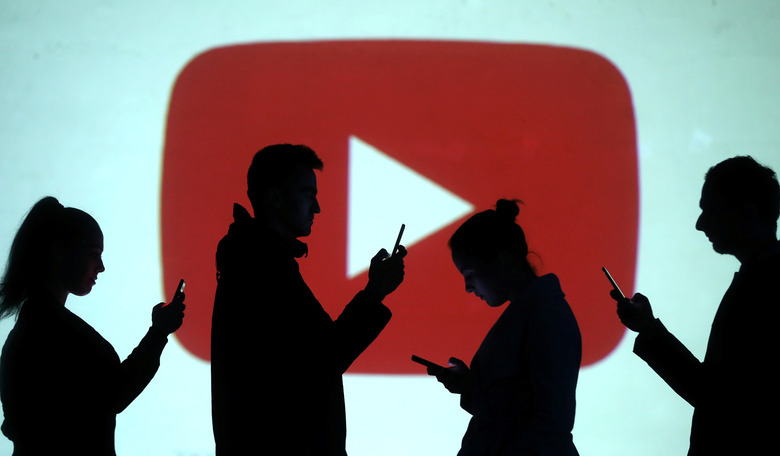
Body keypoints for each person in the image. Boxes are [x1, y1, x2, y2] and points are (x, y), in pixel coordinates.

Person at [210, 143, 406, 456]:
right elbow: (324, 359)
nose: (316, 208)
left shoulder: (251, 263)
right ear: (274, 197)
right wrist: (375, 292)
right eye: (307, 195)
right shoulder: (263, 270)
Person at [610, 155, 780, 455]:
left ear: (745, 210)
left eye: (710, 211)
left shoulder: (763, 286)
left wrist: (649, 331)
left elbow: (718, 398)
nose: (700, 224)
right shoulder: (758, 280)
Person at [0, 197, 186, 456]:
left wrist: (158, 333)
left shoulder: (29, 331)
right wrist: (158, 334)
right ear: (58, 250)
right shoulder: (55, 333)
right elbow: (114, 393)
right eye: (93, 254)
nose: (101, 267)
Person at [428, 199, 581, 456]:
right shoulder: (533, 313)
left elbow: (547, 423)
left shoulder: (544, 316)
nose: (468, 287)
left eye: (470, 274)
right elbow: (516, 408)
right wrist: (470, 387)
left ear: (500, 258)